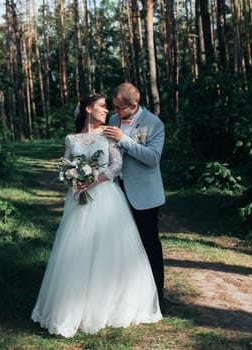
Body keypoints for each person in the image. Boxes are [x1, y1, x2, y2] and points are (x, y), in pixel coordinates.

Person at [31, 93, 162, 338]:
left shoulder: (109, 133)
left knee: (110, 251)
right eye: (102, 106)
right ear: (88, 108)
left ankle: (111, 304)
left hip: (107, 197)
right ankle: (74, 307)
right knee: (77, 249)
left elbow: (116, 166)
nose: (107, 111)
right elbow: (67, 164)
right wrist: (73, 179)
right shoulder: (71, 139)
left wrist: (92, 180)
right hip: (78, 200)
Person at [103, 82, 166, 302]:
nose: (115, 112)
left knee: (149, 245)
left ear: (134, 105)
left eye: (120, 108)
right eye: (114, 107)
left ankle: (157, 297)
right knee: (122, 246)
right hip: (116, 193)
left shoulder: (154, 124)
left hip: (144, 196)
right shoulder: (112, 120)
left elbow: (152, 158)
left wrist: (124, 140)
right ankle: (128, 297)